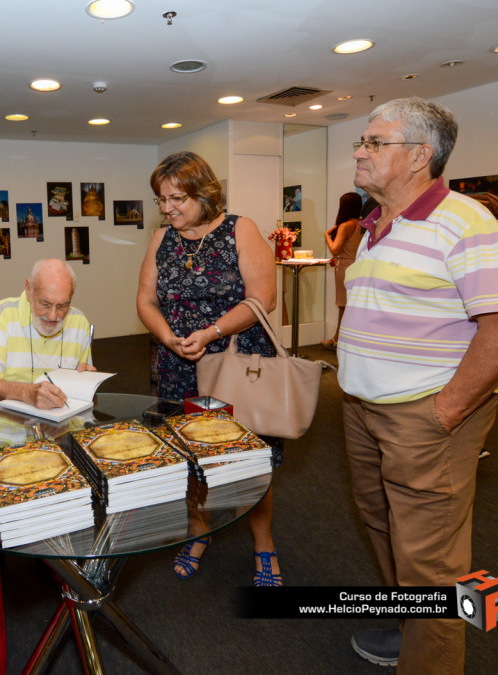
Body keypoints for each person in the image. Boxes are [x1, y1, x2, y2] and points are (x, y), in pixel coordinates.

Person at [341, 97, 498, 672]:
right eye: (363, 140)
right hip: (362, 410)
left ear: (420, 155)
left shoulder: (465, 223)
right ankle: (412, 626)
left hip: (422, 418)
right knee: (380, 524)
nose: (360, 150)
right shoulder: (374, 224)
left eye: (376, 142)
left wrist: (442, 414)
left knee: (432, 565)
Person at [136, 150, 282, 585]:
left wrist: (212, 331)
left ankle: (264, 545)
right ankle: (199, 532)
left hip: (237, 365)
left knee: (248, 460)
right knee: (189, 457)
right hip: (179, 366)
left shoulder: (241, 230)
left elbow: (263, 299)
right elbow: (145, 300)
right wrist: (167, 338)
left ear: (205, 193)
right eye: (162, 200)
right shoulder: (162, 239)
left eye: (177, 198)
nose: (167, 209)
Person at [0, 258, 95, 408]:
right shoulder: (4, 314)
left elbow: (83, 386)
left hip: (60, 420)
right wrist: (26, 392)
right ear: (29, 290)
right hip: (7, 423)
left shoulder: (79, 322)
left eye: (63, 306)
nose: (53, 316)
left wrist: (87, 380)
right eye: (45, 304)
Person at [321, 192, 364, 348]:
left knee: (344, 306)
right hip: (357, 267)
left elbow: (335, 249)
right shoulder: (361, 224)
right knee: (348, 306)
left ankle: (341, 341)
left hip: (344, 269)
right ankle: (338, 338)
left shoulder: (345, 226)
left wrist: (326, 235)